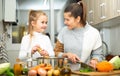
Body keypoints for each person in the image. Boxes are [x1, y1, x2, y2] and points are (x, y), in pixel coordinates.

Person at [54, 1, 104, 70]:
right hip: (66, 73)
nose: (64, 22)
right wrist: (66, 55)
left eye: (67, 20)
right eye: (64, 19)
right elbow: (56, 53)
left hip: (85, 73)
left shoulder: (94, 33)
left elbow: (98, 55)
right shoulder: (63, 31)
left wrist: (95, 60)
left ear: (78, 19)